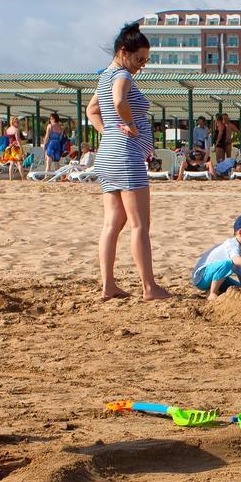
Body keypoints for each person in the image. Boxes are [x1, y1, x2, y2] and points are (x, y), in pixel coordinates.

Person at [86, 21, 171, 301]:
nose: (141, 66)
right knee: (139, 225)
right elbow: (120, 101)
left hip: (108, 155)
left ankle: (108, 284)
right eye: (139, 59)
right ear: (124, 52)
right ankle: (149, 287)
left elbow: (91, 111)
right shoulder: (122, 75)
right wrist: (130, 125)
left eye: (145, 61)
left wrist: (108, 130)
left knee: (112, 223)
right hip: (126, 155)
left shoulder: (105, 75)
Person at [191, 213, 241, 299]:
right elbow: (237, 261)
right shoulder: (232, 245)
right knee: (227, 264)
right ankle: (212, 293)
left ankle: (211, 289)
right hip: (201, 277)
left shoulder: (236, 251)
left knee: (238, 289)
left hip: (210, 277)